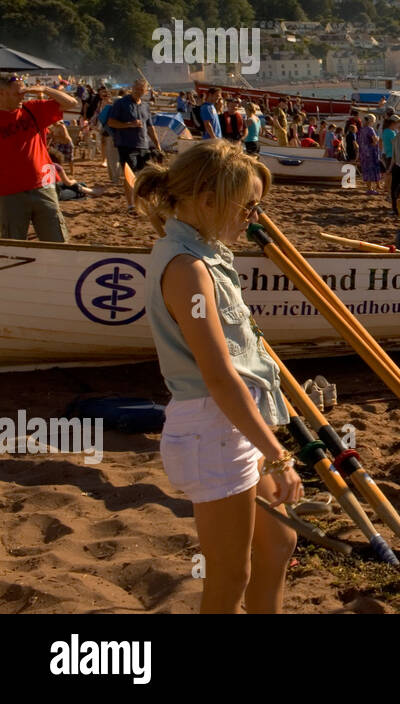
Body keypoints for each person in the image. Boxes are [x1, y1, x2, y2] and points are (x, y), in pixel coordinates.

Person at [136, 140, 300, 613]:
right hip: (212, 430)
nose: (253, 217)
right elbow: (218, 376)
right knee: (230, 574)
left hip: (231, 423)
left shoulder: (203, 252)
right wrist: (277, 455)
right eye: (247, 206)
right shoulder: (187, 268)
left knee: (278, 542)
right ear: (208, 199)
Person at [0, 75, 80, 241]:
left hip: (44, 185)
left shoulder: (32, 109)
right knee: (13, 247)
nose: (23, 95)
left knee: (57, 242)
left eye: (24, 91)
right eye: (18, 92)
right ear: (2, 93)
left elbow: (72, 103)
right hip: (9, 192)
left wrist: (45, 89)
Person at [106, 78, 162, 213]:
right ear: (132, 88)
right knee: (129, 174)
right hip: (126, 144)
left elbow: (150, 127)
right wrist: (129, 125)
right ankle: (131, 204)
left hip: (143, 144)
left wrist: (157, 144)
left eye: (141, 90)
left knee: (144, 175)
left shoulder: (145, 106)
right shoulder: (121, 103)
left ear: (146, 91)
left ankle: (143, 201)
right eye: (136, 89)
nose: (138, 92)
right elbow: (111, 122)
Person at [357, 114, 382, 195]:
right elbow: (375, 140)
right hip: (370, 152)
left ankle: (369, 188)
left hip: (363, 152)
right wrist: (377, 140)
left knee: (366, 170)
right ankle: (370, 189)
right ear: (371, 121)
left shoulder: (362, 129)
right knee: (371, 169)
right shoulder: (370, 129)